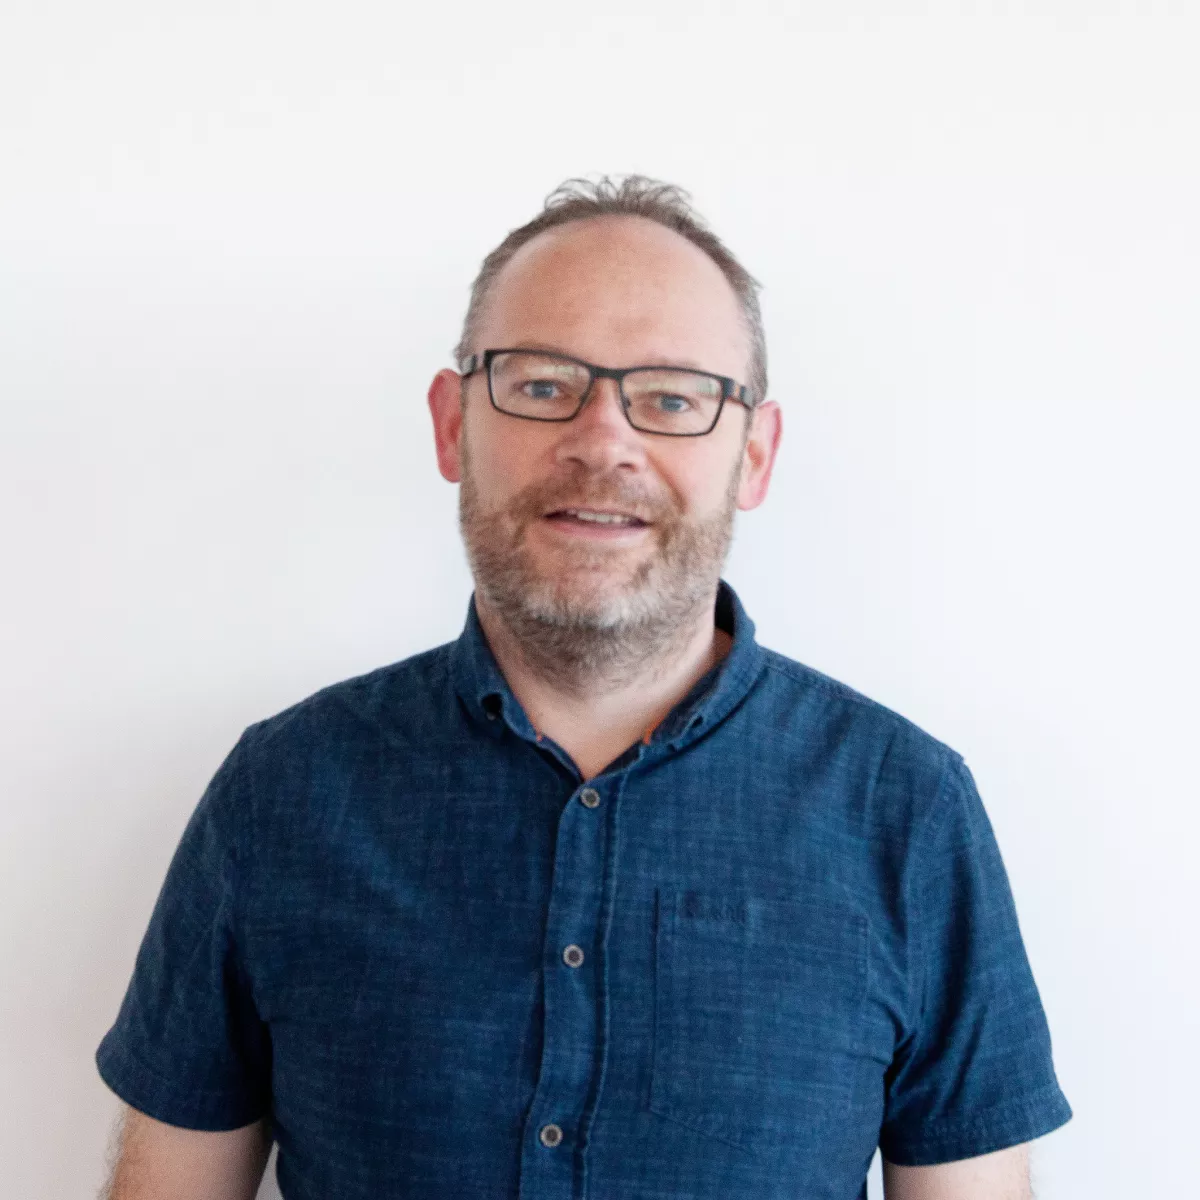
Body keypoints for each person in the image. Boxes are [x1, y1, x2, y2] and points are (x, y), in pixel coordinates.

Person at [96, 176, 1071, 1200]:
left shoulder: (907, 811)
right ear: (451, 425)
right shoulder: (281, 792)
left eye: (673, 398)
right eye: (542, 383)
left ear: (754, 455)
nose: (604, 441)